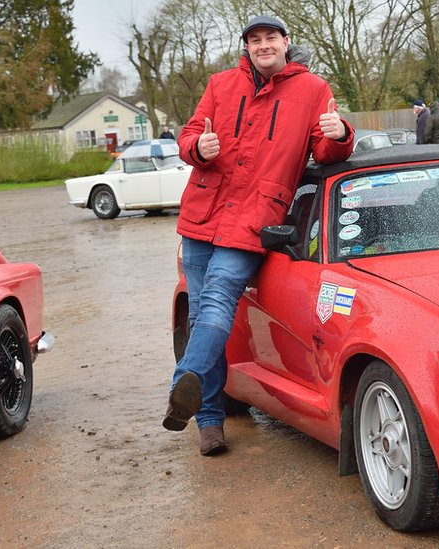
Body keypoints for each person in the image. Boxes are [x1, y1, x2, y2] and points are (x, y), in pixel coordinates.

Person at [164, 15, 354, 456]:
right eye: (255, 39)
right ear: (246, 47)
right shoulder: (220, 84)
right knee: (199, 315)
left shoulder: (313, 90)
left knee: (217, 300)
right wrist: (197, 148)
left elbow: (326, 151)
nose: (263, 45)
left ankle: (183, 385)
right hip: (203, 211)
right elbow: (190, 133)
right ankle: (209, 419)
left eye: (271, 37)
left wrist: (340, 134)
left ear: (286, 43)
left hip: (254, 217)